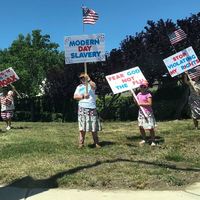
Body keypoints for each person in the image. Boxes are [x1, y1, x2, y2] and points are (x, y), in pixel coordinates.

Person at [73, 72, 101, 148]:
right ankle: (81, 144)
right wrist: (82, 96)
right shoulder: (79, 87)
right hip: (82, 108)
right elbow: (75, 96)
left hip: (92, 107)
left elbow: (94, 87)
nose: (82, 79)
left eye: (84, 77)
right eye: (81, 78)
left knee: (94, 126)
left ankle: (96, 143)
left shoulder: (91, 84)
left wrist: (88, 79)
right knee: (82, 127)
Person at [135, 81, 156, 146]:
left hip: (148, 113)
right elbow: (137, 103)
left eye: (144, 87)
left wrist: (141, 104)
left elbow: (150, 104)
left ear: (147, 87)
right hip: (141, 113)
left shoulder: (148, 95)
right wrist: (134, 98)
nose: (142, 88)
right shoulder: (138, 94)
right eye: (141, 86)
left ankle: (153, 141)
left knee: (150, 127)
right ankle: (144, 139)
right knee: (141, 126)